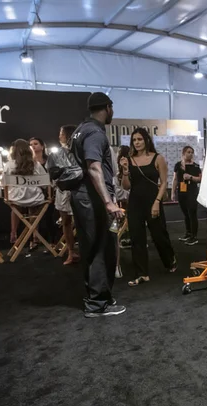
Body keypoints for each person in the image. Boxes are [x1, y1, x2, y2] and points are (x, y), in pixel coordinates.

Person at [70, 92, 126, 318]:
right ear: (108, 107)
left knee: (92, 247)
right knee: (102, 248)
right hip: (92, 199)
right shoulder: (95, 132)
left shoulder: (80, 129)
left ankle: (98, 297)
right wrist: (109, 202)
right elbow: (94, 167)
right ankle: (97, 304)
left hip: (82, 197)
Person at [120, 128, 177, 287]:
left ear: (146, 140)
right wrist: (125, 171)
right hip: (135, 203)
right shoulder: (130, 160)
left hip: (153, 201)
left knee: (159, 235)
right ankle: (142, 273)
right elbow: (126, 186)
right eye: (134, 140)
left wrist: (157, 202)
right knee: (137, 238)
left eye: (139, 139)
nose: (136, 143)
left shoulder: (157, 158)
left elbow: (164, 182)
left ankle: (169, 260)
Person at [4, 139, 47, 246]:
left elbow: (4, 184)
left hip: (16, 199)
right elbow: (45, 184)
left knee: (15, 208)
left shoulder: (9, 165)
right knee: (34, 210)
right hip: (35, 198)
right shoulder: (36, 164)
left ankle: (13, 232)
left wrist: (6, 197)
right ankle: (35, 236)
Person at [56, 125, 80, 265]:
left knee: (82, 222)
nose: (59, 136)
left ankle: (86, 250)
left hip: (78, 191)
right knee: (66, 222)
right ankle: (71, 252)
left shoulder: (80, 151)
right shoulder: (58, 153)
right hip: (63, 192)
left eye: (61, 133)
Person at [172, 145, 202, 246]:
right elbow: (175, 179)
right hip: (181, 191)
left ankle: (194, 236)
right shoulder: (178, 165)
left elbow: (200, 179)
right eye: (188, 152)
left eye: (192, 152)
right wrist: (172, 192)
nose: (190, 154)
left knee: (192, 213)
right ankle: (188, 233)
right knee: (186, 214)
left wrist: (191, 177)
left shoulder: (196, 166)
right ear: (183, 153)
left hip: (192, 191)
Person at [114, 145, 131, 278]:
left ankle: (116, 265)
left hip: (113, 205)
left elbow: (124, 188)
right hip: (107, 203)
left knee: (113, 234)